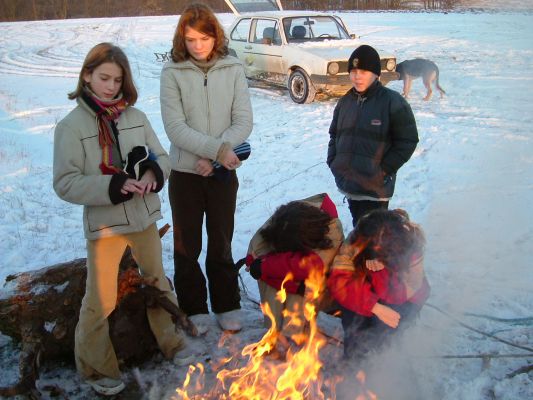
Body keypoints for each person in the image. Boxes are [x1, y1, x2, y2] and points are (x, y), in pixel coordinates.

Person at [53, 43, 194, 396]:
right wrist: (113, 185)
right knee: (100, 299)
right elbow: (65, 183)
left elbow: (162, 156)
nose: (111, 86)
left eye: (117, 79)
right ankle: (97, 369)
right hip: (105, 225)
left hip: (143, 217)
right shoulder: (70, 126)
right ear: (86, 75)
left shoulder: (135, 117)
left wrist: (151, 173)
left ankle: (173, 344)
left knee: (157, 281)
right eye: (103, 78)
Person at [160, 3, 253, 334]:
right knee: (187, 244)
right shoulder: (172, 73)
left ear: (216, 36)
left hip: (222, 173)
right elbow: (175, 127)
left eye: (204, 38)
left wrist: (215, 160)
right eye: (190, 39)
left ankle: (227, 303)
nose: (198, 46)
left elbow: (243, 120)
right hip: (185, 174)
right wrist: (216, 150)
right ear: (181, 40)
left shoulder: (232, 68)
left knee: (221, 238)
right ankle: (194, 306)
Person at [327, 44, 419, 227]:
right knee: (359, 229)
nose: (357, 76)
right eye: (353, 71)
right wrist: (333, 161)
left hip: (374, 189)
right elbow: (334, 135)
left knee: (373, 241)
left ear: (376, 74)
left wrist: (383, 170)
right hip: (350, 184)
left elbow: (408, 141)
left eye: (363, 71)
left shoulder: (392, 102)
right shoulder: (345, 102)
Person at [327, 208, 430, 361]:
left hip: (401, 298)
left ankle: (387, 362)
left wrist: (381, 271)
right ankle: (352, 366)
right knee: (356, 330)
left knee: (385, 336)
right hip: (364, 292)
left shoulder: (410, 247)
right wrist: (374, 306)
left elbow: (412, 290)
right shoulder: (362, 235)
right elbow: (339, 281)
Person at [245, 194, 344, 348]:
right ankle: (274, 332)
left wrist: (265, 268)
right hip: (289, 270)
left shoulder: (331, 230)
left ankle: (294, 335)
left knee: (300, 285)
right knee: (276, 278)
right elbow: (255, 258)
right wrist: (263, 268)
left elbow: (309, 268)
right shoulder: (284, 220)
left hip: (319, 283)